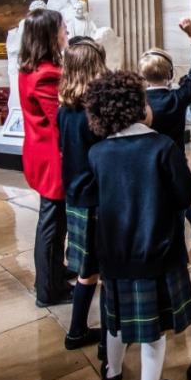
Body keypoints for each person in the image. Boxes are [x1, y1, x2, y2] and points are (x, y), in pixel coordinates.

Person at [84, 71, 191, 380]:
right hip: (157, 253)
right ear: (140, 108)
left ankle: (113, 373)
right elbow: (184, 194)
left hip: (115, 254)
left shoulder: (98, 152)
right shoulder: (162, 147)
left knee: (114, 320)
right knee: (153, 332)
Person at [18, 7, 72, 307]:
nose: (66, 32)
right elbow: (59, 121)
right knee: (52, 224)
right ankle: (48, 290)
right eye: (63, 28)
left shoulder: (30, 68)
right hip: (53, 157)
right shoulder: (47, 74)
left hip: (41, 152)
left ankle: (54, 273)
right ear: (50, 35)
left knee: (54, 220)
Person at [57, 38, 108, 351]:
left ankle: (79, 329)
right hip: (95, 194)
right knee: (99, 269)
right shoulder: (94, 110)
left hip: (75, 190)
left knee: (88, 268)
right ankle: (91, 335)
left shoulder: (65, 108)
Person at [139, 18, 191, 152]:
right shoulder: (177, 98)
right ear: (170, 74)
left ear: (143, 75)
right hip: (175, 160)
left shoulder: (136, 102)